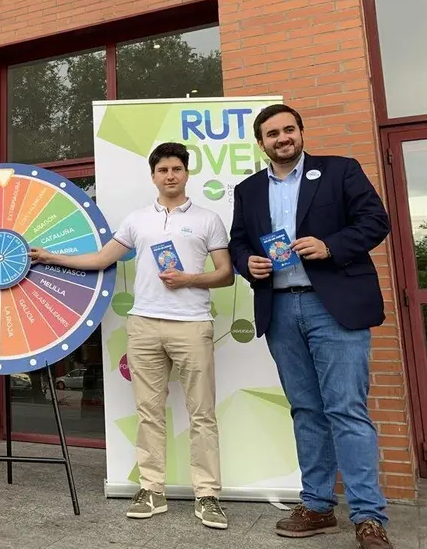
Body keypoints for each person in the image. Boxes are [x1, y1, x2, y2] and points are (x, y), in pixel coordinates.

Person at [30, 142, 234, 529]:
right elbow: (101, 258)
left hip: (192, 324)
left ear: (186, 173)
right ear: (153, 176)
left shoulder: (208, 219)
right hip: (143, 325)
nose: (170, 175)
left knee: (202, 414)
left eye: (177, 168)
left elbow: (225, 273)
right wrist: (50, 257)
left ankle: (207, 495)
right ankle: (152, 489)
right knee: (149, 412)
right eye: (163, 170)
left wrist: (189, 278)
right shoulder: (137, 220)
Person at [228, 104, 393, 549]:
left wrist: (330, 245)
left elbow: (377, 222)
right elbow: (238, 242)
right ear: (261, 143)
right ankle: (318, 506)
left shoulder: (340, 171)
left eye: (288, 129)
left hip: (332, 305)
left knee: (346, 410)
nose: (282, 138)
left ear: (300, 132)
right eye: (272, 133)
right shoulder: (247, 190)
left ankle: (368, 517)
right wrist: (249, 263)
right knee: (306, 410)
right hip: (280, 308)